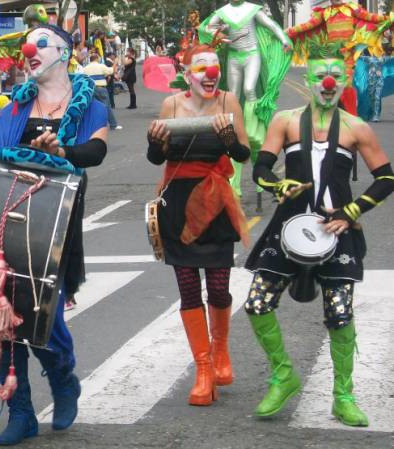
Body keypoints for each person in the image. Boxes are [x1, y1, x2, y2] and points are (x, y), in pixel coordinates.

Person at [0, 23, 108, 446]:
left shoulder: (88, 103)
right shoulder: (14, 109)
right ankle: (21, 410)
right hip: (2, 222)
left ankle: (64, 380)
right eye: (26, 44)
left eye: (41, 43)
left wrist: (62, 150)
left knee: (46, 319)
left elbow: (96, 152)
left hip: (54, 227)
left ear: (64, 52)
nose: (29, 49)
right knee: (4, 319)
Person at [244, 40, 393, 428]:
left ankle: (343, 395)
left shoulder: (356, 128)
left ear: (344, 79)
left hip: (337, 231)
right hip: (288, 227)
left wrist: (353, 211)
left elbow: (387, 178)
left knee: (340, 315)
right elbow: (260, 169)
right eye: (320, 76)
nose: (327, 82)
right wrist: (276, 187)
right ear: (308, 79)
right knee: (257, 303)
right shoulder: (286, 121)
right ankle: (283, 376)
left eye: (335, 76)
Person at [146, 43, 251, 406]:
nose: (210, 72)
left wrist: (227, 140)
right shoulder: (172, 105)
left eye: (215, 66)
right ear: (187, 73)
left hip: (216, 200)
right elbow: (155, 157)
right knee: (189, 289)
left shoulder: (228, 102)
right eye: (202, 66)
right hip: (178, 204)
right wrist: (154, 143)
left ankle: (220, 350)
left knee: (219, 288)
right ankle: (203, 369)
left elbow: (242, 154)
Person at [201, 0, 293, 197]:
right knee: (233, 95)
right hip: (234, 56)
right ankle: (235, 125)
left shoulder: (252, 10)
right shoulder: (223, 12)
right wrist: (222, 34)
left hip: (252, 54)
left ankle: (253, 123)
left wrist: (283, 39)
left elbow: (271, 25)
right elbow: (208, 28)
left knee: (250, 89)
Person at [287, 0, 393, 116]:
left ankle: (350, 115)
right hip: (331, 57)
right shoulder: (325, 13)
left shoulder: (352, 9)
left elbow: (372, 18)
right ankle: (332, 114)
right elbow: (307, 26)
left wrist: (389, 19)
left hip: (347, 56)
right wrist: (288, 32)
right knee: (330, 85)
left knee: (346, 84)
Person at [83, 53, 121, 130]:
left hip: (90, 89)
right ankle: (113, 124)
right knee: (106, 107)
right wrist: (115, 63)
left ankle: (94, 126)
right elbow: (111, 71)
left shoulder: (85, 68)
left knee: (92, 108)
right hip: (101, 88)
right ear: (97, 58)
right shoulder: (101, 66)